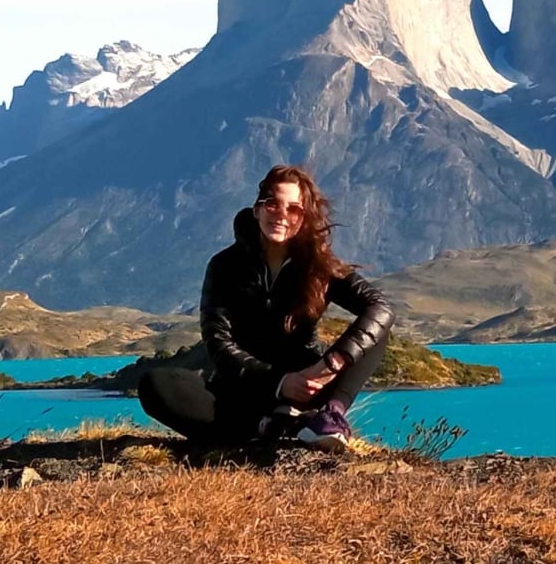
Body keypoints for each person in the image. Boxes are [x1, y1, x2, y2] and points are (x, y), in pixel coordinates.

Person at [138, 164, 393, 450]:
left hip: (310, 386)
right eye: (273, 203)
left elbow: (380, 307)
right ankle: (273, 426)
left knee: (376, 329)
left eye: (293, 209)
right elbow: (218, 342)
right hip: (246, 388)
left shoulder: (319, 266)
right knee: (155, 384)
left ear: (303, 218)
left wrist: (330, 365)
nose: (281, 215)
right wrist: (279, 382)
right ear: (257, 209)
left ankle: (330, 415)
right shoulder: (225, 266)